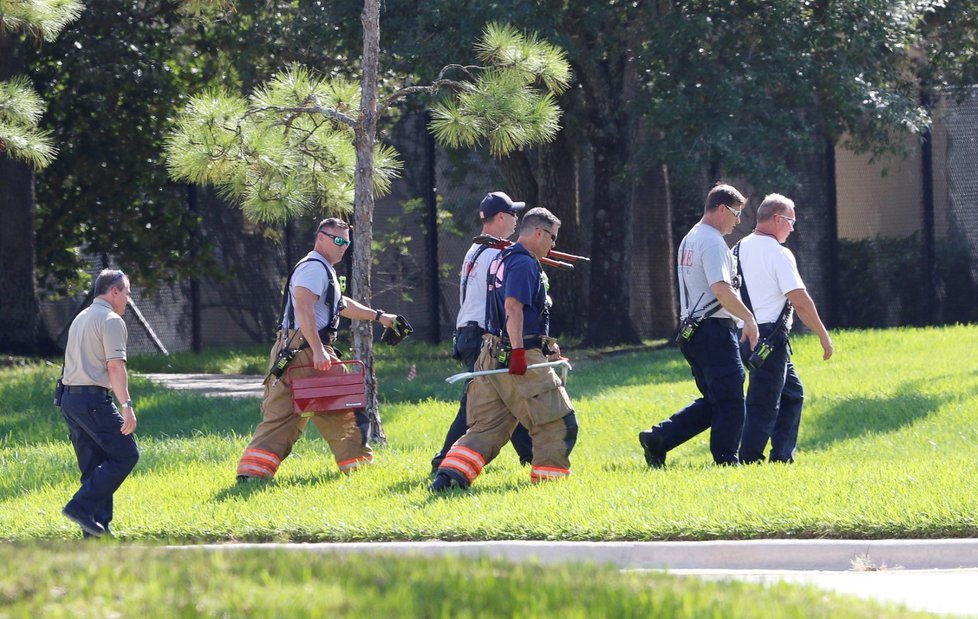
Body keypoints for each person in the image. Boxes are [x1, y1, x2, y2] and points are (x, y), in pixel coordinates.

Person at [236, 218, 397, 482]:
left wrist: (380, 316)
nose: (343, 246)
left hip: (290, 351)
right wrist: (319, 351)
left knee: (281, 417)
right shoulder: (314, 268)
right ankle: (358, 470)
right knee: (344, 408)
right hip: (308, 351)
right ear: (320, 237)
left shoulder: (323, 270)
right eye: (337, 240)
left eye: (346, 242)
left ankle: (251, 474)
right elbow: (304, 308)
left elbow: (339, 304)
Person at [429, 207, 577, 491]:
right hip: (516, 352)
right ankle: (549, 486)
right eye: (552, 238)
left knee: (489, 426)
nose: (553, 245)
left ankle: (448, 476)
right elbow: (513, 307)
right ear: (538, 233)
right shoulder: (523, 263)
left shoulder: (501, 258)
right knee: (557, 422)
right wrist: (521, 351)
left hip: (492, 352)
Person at [639, 183, 759, 468]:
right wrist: (749, 319)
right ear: (721, 209)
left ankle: (659, 438)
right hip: (713, 331)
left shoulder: (691, 238)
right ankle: (727, 461)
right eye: (736, 213)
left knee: (716, 400)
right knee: (730, 398)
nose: (738, 221)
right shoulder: (713, 241)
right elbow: (721, 289)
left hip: (693, 331)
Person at [429, 192, 533, 478]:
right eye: (513, 214)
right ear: (500, 217)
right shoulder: (499, 253)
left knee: (507, 397)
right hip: (480, 336)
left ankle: (533, 455)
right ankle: (444, 461)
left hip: (469, 333)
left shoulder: (477, 250)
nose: (516, 220)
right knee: (475, 406)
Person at [735, 193, 834, 464]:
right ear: (777, 219)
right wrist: (823, 336)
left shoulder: (738, 249)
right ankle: (749, 460)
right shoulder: (778, 253)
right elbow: (800, 300)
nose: (792, 227)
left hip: (742, 334)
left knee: (791, 394)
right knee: (763, 404)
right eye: (790, 221)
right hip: (769, 338)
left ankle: (781, 457)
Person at [58, 269, 139, 537]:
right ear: (114, 291)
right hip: (93, 401)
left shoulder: (81, 317)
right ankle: (80, 507)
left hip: (70, 401)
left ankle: (96, 531)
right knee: (126, 453)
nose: (128, 298)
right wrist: (126, 405)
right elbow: (115, 367)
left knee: (94, 464)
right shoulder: (110, 320)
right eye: (126, 292)